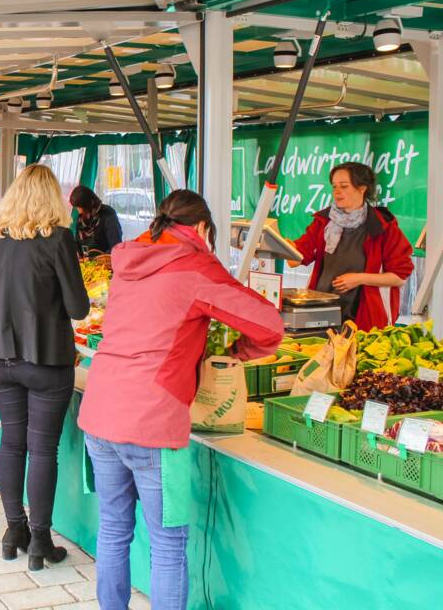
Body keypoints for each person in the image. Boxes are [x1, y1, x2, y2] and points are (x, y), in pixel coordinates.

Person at [79, 190, 284, 609]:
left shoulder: (127, 259)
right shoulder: (196, 266)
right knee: (168, 545)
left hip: (100, 411)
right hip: (152, 420)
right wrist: (236, 353)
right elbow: (268, 324)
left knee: (113, 529)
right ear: (203, 228)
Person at [0, 164, 89, 572]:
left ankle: (13, 531)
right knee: (43, 450)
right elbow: (78, 307)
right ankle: (39, 540)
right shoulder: (59, 240)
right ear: (53, 199)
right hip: (48, 359)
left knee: (12, 444)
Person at [287, 162, 414, 331]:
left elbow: (399, 277)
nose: (337, 192)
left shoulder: (383, 227)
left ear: (362, 188)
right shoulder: (324, 221)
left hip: (364, 317)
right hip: (322, 312)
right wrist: (280, 246)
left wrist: (359, 278)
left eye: (344, 186)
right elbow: (296, 258)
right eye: (334, 187)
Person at [70, 185, 122, 255]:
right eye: (77, 208)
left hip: (105, 263)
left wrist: (97, 261)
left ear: (89, 204)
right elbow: (78, 243)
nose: (79, 211)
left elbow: (116, 246)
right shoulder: (81, 219)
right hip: (86, 263)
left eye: (81, 207)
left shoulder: (107, 214)